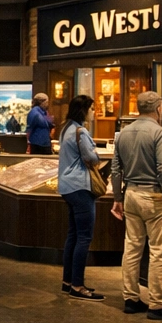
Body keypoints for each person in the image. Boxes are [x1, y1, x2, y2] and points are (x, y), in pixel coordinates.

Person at [111, 90, 162, 320]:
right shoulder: (160, 133)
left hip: (130, 194)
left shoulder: (123, 133)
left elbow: (115, 169)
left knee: (132, 248)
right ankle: (157, 304)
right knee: (159, 252)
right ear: (159, 108)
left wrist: (117, 198)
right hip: (154, 196)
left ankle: (131, 298)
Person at [58, 95, 104, 301]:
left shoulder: (65, 128)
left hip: (67, 187)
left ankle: (68, 281)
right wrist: (96, 152)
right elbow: (91, 158)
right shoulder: (80, 131)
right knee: (84, 237)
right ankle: (78, 285)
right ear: (84, 110)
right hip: (80, 186)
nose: (94, 112)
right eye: (92, 109)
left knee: (73, 235)